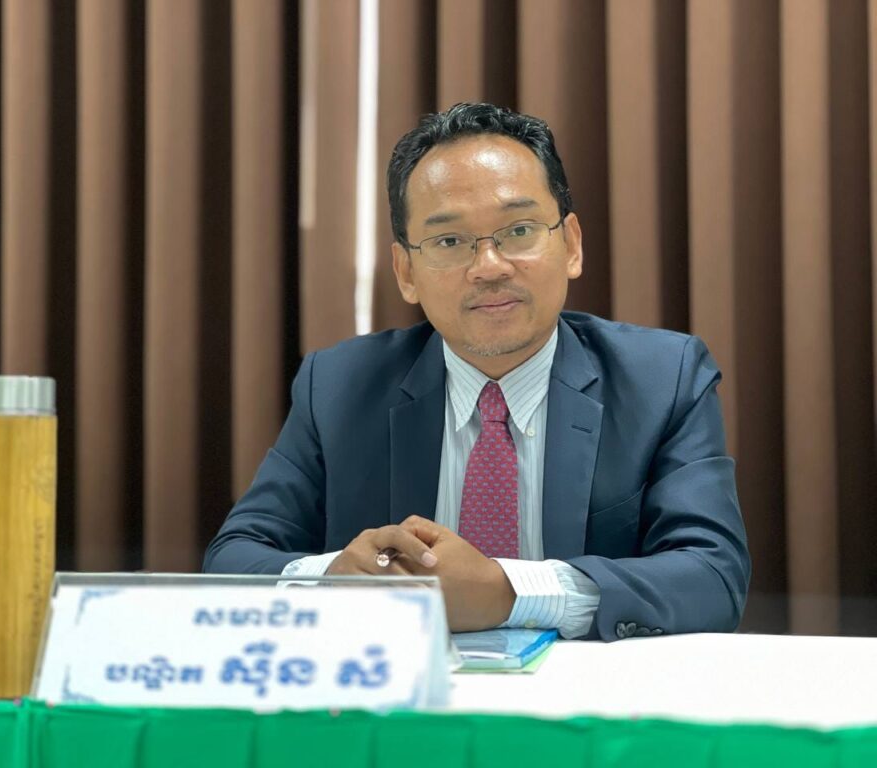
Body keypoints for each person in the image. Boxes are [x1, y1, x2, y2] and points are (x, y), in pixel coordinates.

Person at [203, 103, 750, 641]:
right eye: (449, 241)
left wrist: (508, 593)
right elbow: (234, 557)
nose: (489, 267)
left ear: (572, 245)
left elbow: (713, 574)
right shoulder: (339, 386)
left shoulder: (663, 379)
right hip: (399, 686)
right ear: (406, 271)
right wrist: (333, 578)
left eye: (519, 230)